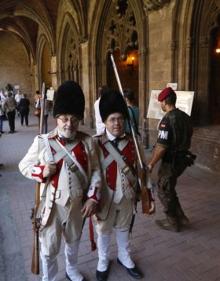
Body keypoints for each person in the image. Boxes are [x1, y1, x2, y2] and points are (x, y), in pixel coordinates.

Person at [19, 80, 102, 281]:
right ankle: (49, 278)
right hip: (51, 207)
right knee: (49, 247)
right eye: (64, 118)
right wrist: (42, 170)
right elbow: (24, 166)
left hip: (77, 205)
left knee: (74, 242)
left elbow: (97, 172)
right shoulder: (42, 142)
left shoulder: (88, 142)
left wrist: (93, 198)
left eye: (74, 119)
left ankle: (71, 270)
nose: (69, 123)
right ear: (57, 118)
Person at [93, 88, 152, 281]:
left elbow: (143, 170)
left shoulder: (134, 142)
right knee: (103, 231)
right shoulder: (96, 144)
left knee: (124, 228)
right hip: (105, 197)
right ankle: (102, 260)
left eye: (119, 118)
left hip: (127, 195)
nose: (117, 123)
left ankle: (124, 256)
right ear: (104, 122)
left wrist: (147, 194)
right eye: (112, 119)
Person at [148, 87, 195, 232]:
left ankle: (172, 221)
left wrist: (151, 163)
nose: (160, 105)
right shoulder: (185, 117)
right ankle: (181, 217)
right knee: (170, 187)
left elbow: (162, 147)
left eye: (160, 102)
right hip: (183, 159)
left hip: (171, 161)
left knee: (163, 189)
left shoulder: (167, 120)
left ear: (164, 102)